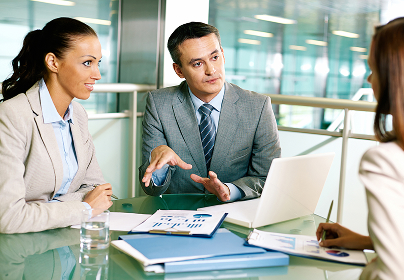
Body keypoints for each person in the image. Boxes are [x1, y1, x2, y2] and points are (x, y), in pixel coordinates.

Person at [139, 22, 281, 202]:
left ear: (223, 54)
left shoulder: (258, 106)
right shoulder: (159, 104)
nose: (211, 70)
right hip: (178, 214)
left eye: (214, 57)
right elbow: (150, 188)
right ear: (179, 70)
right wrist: (160, 167)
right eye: (197, 63)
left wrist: (230, 190)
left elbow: (267, 177)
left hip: (236, 212)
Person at [0, 17, 113, 234]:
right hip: (23, 252)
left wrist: (39, 209)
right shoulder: (13, 115)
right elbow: (10, 217)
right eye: (87, 63)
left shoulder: (78, 115)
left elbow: (98, 191)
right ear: (53, 62)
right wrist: (84, 207)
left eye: (98, 62)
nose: (97, 74)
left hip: (64, 242)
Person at [316, 17, 404, 279]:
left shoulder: (385, 160)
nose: (369, 78)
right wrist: (369, 241)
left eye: (374, 68)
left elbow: (394, 273)